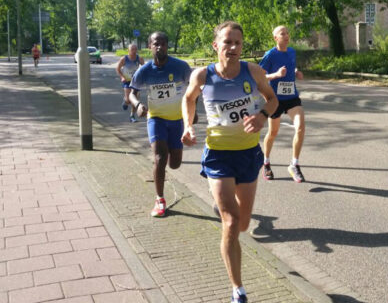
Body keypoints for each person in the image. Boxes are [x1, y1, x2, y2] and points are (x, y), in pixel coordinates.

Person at [181, 21, 278, 303]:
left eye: (237, 43)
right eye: (227, 42)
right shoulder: (202, 76)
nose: (233, 47)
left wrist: (261, 117)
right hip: (219, 155)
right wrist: (188, 126)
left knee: (244, 224)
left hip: (248, 154)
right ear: (216, 46)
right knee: (232, 222)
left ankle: (221, 206)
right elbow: (188, 99)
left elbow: (271, 100)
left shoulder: (253, 72)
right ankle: (238, 289)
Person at [129, 32, 192, 218]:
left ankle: (168, 168)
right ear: (149, 46)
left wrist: (192, 113)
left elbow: (194, 88)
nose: (160, 47)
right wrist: (138, 105)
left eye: (163, 44)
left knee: (174, 163)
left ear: (167, 46)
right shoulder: (145, 71)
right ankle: (160, 199)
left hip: (177, 120)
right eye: (156, 44)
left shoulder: (180, 67)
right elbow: (132, 93)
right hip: (155, 118)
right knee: (159, 157)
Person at [259, 25, 306, 183]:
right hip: (275, 99)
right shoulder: (270, 55)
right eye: (282, 33)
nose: (286, 35)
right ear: (275, 38)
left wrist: (295, 72)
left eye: (287, 32)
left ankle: (294, 164)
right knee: (273, 133)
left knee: (300, 127)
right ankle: (266, 162)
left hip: (292, 97)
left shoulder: (292, 52)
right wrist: (276, 75)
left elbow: (291, 66)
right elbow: (260, 77)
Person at [116, 43, 145, 122]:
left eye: (135, 49)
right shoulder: (124, 59)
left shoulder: (139, 59)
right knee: (129, 99)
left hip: (135, 82)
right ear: (128, 50)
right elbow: (118, 68)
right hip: (127, 81)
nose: (134, 51)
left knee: (135, 99)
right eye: (132, 49)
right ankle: (125, 101)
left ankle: (132, 116)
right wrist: (122, 77)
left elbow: (144, 69)